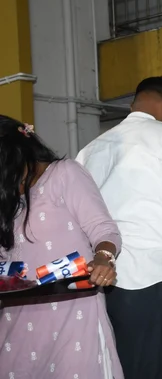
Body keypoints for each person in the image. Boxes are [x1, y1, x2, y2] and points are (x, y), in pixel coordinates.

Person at [76, 76, 162, 379]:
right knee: (156, 366)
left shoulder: (90, 149)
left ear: (132, 105)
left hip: (100, 277)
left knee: (117, 365)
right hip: (154, 276)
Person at [0, 115, 123, 378]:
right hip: (17, 314)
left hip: (71, 309)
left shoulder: (64, 174)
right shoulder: (7, 196)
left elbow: (103, 228)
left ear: (15, 151)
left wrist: (103, 258)